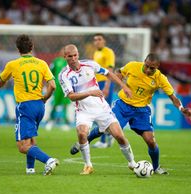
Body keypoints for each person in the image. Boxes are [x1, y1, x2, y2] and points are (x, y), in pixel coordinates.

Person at [70, 53, 191, 175]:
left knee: (150, 141)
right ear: (144, 61)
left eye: (152, 68)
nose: (148, 69)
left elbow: (173, 97)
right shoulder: (133, 66)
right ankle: (83, 142)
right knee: (106, 130)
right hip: (122, 106)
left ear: (157, 67)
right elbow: (118, 72)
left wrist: (181, 108)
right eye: (147, 66)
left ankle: (156, 168)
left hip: (141, 111)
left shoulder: (160, 78)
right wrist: (121, 83)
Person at [59, 44, 137, 175]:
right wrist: (90, 93)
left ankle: (132, 163)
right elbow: (71, 96)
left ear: (78, 54)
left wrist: (124, 86)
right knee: (82, 133)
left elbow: (109, 73)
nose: (73, 58)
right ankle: (88, 165)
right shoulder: (64, 75)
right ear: (65, 57)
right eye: (70, 56)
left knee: (119, 136)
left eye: (75, 55)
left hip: (102, 109)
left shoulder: (90, 65)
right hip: (83, 111)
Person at [0, 34, 59, 175]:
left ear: (18, 49)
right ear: (32, 47)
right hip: (39, 106)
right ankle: (30, 169)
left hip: (25, 106)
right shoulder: (42, 63)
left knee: (22, 146)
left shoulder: (12, 64)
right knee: (31, 139)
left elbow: (0, 83)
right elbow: (53, 86)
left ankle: (49, 160)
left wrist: (5, 80)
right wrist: (45, 99)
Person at [92, 33, 116, 148]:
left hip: (105, 83)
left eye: (99, 39)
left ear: (104, 41)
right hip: (97, 84)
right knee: (98, 111)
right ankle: (109, 135)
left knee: (104, 110)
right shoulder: (96, 53)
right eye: (95, 40)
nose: (97, 41)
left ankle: (104, 139)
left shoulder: (108, 52)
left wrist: (107, 86)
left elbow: (110, 70)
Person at [45, 49, 71, 131]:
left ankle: (65, 123)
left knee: (65, 105)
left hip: (66, 87)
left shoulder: (69, 62)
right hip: (57, 86)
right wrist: (48, 84)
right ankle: (51, 121)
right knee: (55, 104)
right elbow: (50, 72)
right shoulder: (56, 61)